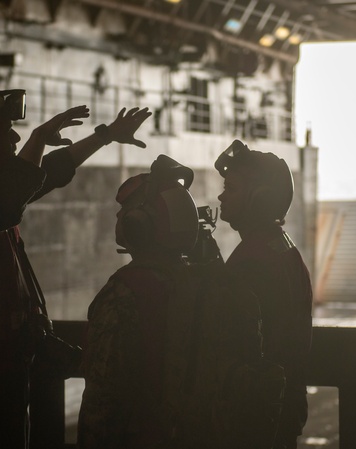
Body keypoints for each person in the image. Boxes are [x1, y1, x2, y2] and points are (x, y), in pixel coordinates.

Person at [0, 87, 151, 449]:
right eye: (3, 131)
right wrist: (39, 139)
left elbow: (45, 173)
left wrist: (104, 137)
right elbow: (11, 197)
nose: (14, 137)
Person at [78, 155, 265, 449]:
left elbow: (103, 400)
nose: (119, 219)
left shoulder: (124, 292)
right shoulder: (210, 283)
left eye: (125, 213)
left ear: (139, 224)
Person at [215, 139, 314, 449]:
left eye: (231, 188)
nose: (221, 195)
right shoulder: (282, 247)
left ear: (259, 198)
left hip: (254, 414)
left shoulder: (252, 261)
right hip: (280, 406)